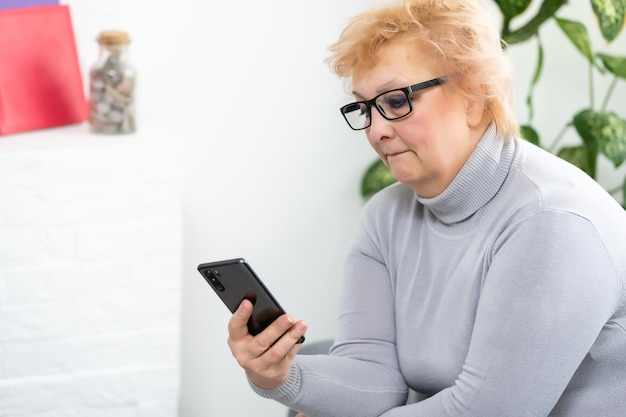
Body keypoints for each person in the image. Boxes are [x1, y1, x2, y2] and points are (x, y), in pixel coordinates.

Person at [227, 0, 626, 415]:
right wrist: (279, 377)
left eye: (397, 101)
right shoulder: (385, 217)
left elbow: (487, 412)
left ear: (475, 95)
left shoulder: (553, 222)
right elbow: (375, 379)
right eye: (364, 108)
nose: (377, 130)